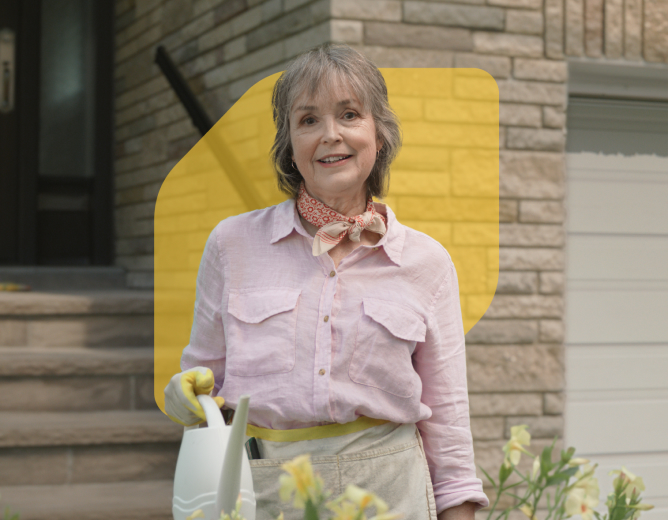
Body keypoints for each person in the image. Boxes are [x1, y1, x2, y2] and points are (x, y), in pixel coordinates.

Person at [164, 43, 489, 520]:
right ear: (289, 144)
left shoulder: (427, 262)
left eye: (350, 115)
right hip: (268, 493)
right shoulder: (231, 244)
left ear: (378, 134)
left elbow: (447, 415)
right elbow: (204, 391)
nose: (330, 135)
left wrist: (458, 508)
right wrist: (186, 398)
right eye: (309, 120)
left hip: (392, 493)